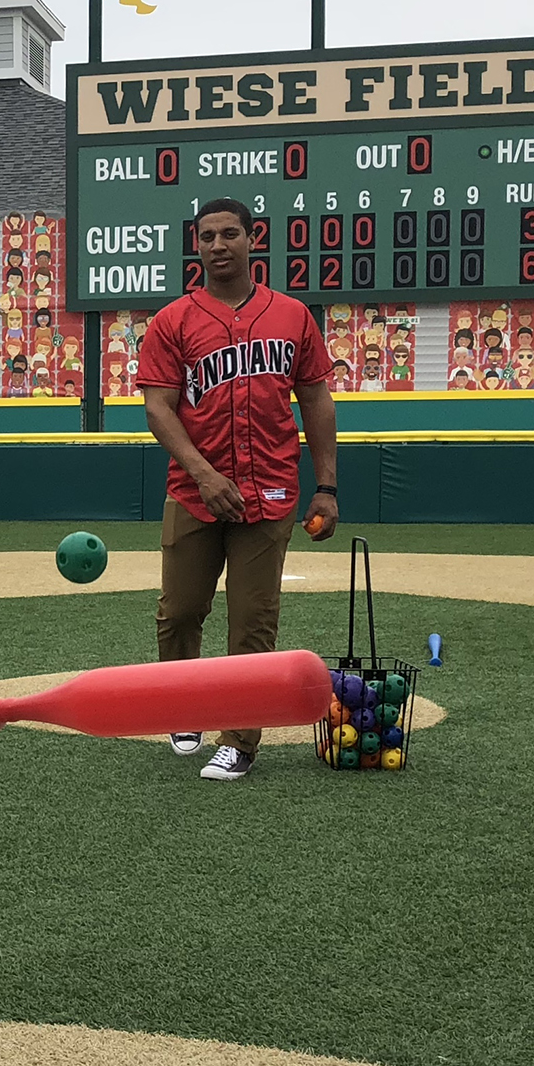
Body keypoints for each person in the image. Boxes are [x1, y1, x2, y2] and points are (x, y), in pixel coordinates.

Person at [136, 198, 337, 782]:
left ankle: (240, 740)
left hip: (271, 489)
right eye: (207, 237)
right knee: (178, 613)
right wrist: (203, 471)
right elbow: (158, 407)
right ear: (196, 246)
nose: (218, 245)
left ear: (253, 239)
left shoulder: (293, 315)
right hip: (193, 490)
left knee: (253, 621)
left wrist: (325, 486)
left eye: (230, 234)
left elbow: (317, 401)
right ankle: (185, 706)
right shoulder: (173, 320)